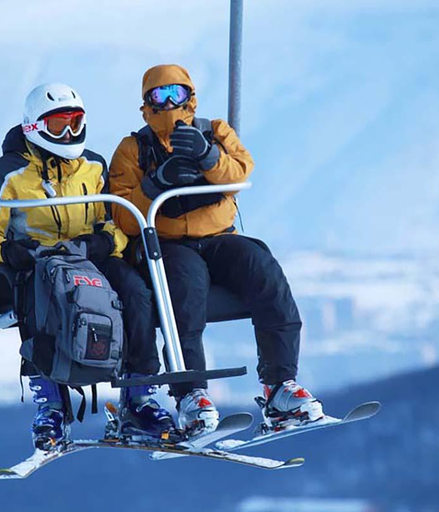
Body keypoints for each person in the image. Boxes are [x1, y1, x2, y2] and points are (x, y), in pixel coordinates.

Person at [108, 64, 323, 436]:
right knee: (186, 292)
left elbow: (240, 172)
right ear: (146, 103)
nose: (170, 103)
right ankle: (191, 393)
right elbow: (123, 216)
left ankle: (280, 386)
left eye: (177, 93)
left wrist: (209, 157)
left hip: (219, 236)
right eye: (160, 96)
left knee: (264, 271)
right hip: (170, 243)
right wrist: (156, 183)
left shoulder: (215, 131)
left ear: (191, 95)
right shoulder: (133, 149)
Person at [0, 83, 174, 450]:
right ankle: (51, 404)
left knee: (137, 294)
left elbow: (116, 219)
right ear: (34, 128)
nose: (68, 134)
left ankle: (140, 397)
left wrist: (107, 241)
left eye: (75, 123)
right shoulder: (7, 175)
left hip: (90, 257)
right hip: (39, 262)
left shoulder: (92, 166)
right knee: (42, 304)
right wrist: (8, 251)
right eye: (58, 125)